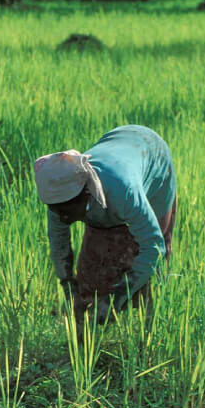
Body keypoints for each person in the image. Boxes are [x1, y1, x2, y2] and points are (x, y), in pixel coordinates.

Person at [33, 124, 177, 328]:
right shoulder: (59, 197)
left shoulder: (123, 190)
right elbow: (59, 243)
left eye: (67, 211)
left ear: (85, 194)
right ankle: (91, 340)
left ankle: (148, 336)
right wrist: (67, 283)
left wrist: (118, 296)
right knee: (93, 274)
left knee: (146, 273)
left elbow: (154, 245)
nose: (62, 218)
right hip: (119, 147)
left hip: (152, 155)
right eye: (56, 210)